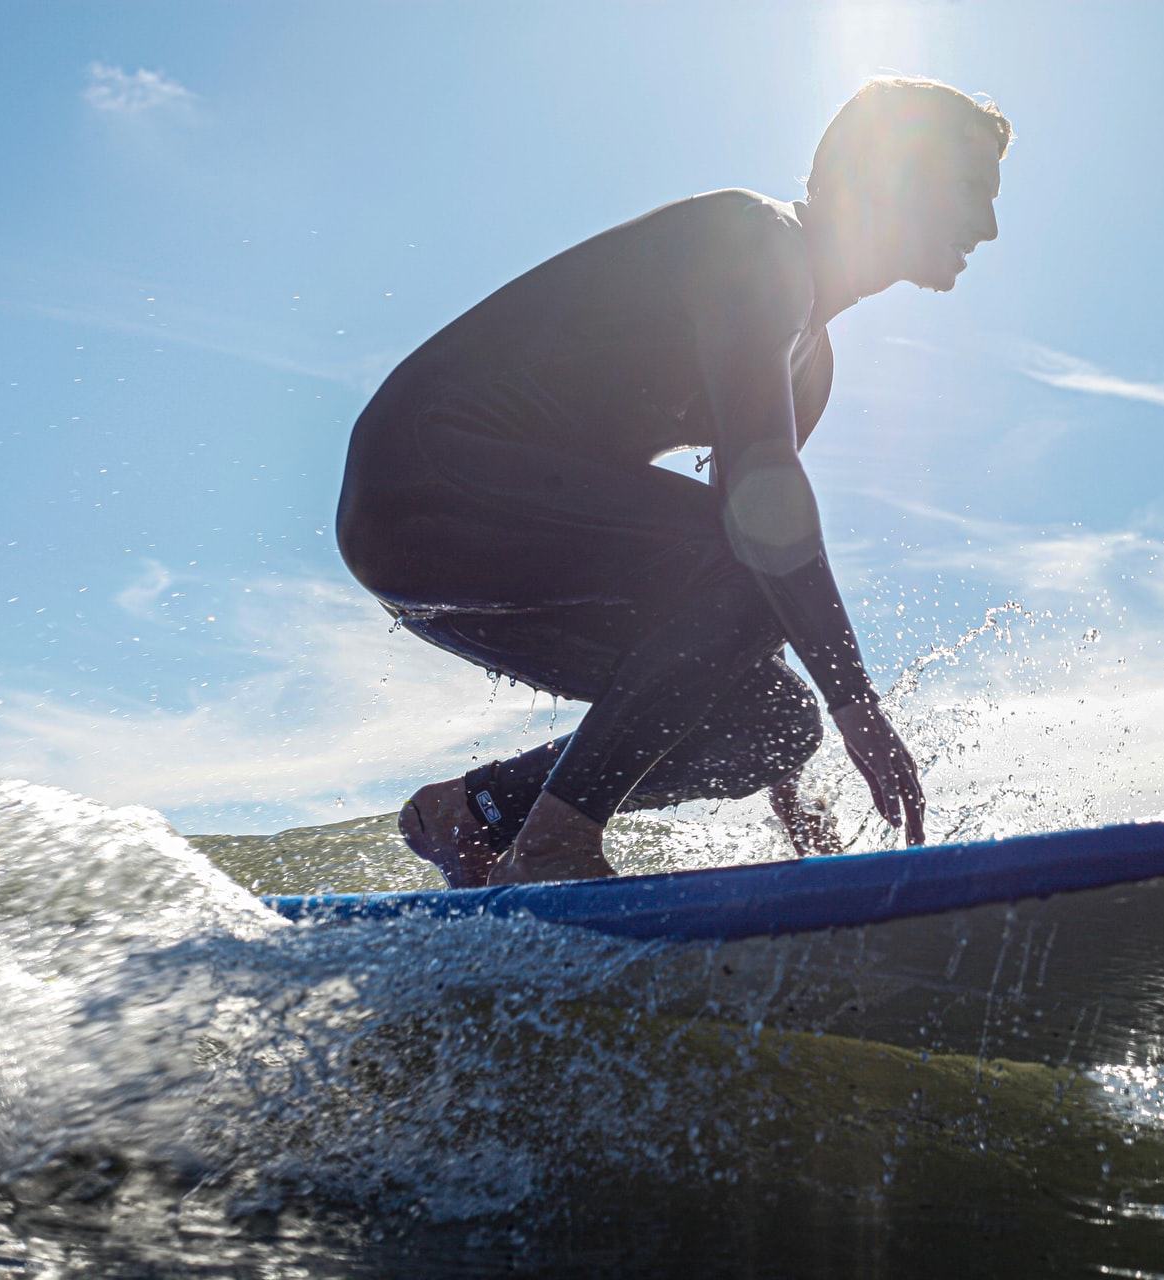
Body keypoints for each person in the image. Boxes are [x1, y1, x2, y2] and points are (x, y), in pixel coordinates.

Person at [336, 77, 1010, 887]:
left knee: (776, 721)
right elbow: (759, 524)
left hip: (480, 551)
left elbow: (737, 586)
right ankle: (555, 844)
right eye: (972, 191)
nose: (989, 226)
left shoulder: (811, 368)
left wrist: (782, 779)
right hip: (425, 478)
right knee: (754, 561)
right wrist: (858, 702)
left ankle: (477, 814)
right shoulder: (755, 239)